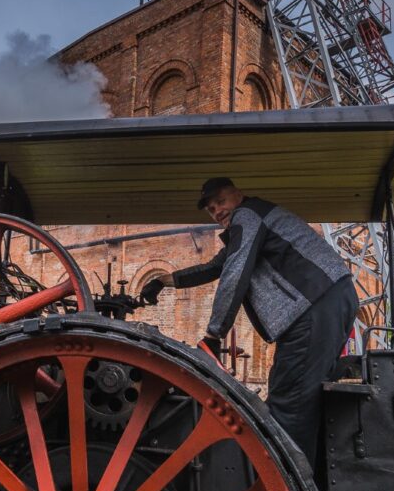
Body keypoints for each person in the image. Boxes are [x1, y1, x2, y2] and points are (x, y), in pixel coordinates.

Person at [140, 177, 357, 465]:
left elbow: (234, 274)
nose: (217, 210)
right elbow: (214, 267)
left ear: (238, 195)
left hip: (314, 306)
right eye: (210, 208)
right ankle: (313, 488)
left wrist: (213, 335)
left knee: (289, 402)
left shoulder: (248, 216)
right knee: (310, 399)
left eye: (221, 201)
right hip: (330, 300)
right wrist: (164, 281)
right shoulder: (253, 221)